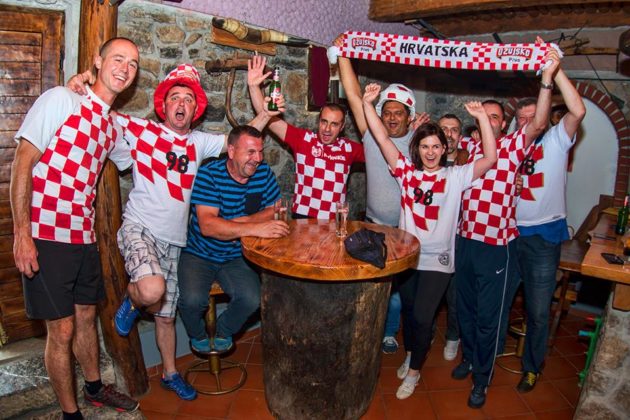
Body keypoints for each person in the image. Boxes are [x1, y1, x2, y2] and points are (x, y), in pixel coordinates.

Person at [68, 63, 285, 400]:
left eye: (188, 98)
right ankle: (131, 301)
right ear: (163, 104)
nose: (181, 103)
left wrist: (267, 113)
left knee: (166, 318)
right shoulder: (140, 130)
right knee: (151, 290)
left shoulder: (198, 143)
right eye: (175, 97)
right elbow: (97, 110)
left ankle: (170, 374)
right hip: (140, 228)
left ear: (195, 108)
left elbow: (240, 141)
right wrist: (80, 86)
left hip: (174, 242)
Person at [10, 37, 140, 419]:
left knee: (86, 319)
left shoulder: (112, 127)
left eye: (133, 64)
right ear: (98, 61)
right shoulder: (61, 100)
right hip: (46, 236)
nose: (125, 69)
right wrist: (22, 234)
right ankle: (71, 414)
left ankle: (95, 388)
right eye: (118, 59)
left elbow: (137, 159)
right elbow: (22, 163)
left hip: (84, 238)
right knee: (62, 330)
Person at [362, 83, 497, 400]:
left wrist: (482, 120)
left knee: (423, 317)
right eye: (425, 146)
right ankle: (413, 353)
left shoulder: (456, 176)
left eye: (436, 146)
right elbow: (382, 138)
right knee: (410, 313)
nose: (431, 151)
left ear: (444, 149)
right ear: (417, 149)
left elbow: (490, 158)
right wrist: (368, 104)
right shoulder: (406, 174)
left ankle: (414, 371)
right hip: (410, 258)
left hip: (439, 260)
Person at [452, 38, 560, 409]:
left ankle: (482, 379)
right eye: (483, 115)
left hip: (497, 247)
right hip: (465, 242)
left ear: (503, 123)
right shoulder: (468, 149)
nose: (488, 120)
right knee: (465, 310)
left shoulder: (514, 146)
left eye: (495, 117)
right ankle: (469, 358)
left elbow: (540, 122)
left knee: (489, 317)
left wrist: (547, 78)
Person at [337, 36, 430, 354]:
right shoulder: (372, 135)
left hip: (407, 229)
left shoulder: (420, 143)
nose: (391, 117)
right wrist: (343, 54)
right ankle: (377, 331)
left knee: (402, 291)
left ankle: (393, 333)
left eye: (398, 113)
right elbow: (353, 94)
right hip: (374, 224)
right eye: (386, 111)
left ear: (409, 115)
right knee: (375, 284)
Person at [177, 125, 290, 354]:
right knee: (191, 301)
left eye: (260, 151)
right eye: (250, 152)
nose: (258, 159)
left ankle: (223, 330)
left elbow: (277, 210)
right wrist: (255, 228)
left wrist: (239, 223)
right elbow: (208, 226)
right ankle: (198, 335)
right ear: (231, 151)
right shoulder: (209, 174)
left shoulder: (263, 172)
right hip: (199, 253)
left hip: (237, 255)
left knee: (252, 298)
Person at [514, 63, 586, 392]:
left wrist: (554, 70)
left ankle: (532, 367)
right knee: (499, 300)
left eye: (533, 116)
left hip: (543, 238)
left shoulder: (557, 139)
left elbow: (578, 110)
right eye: (522, 118)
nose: (528, 122)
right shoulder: (509, 146)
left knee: (539, 309)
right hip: (507, 234)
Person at [247, 55, 365, 220]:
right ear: (318, 121)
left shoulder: (349, 148)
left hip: (333, 222)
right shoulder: (303, 139)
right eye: (324, 122)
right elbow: (267, 117)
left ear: (342, 127)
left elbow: (379, 151)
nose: (327, 129)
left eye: (334, 124)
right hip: (303, 218)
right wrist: (253, 87)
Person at [437, 113, 469, 361]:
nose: (449, 134)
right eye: (444, 129)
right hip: (432, 235)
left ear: (460, 135)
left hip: (459, 235)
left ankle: (453, 336)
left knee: (455, 292)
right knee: (431, 291)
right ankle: (425, 335)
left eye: (454, 130)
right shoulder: (426, 159)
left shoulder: (468, 160)